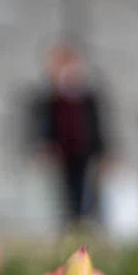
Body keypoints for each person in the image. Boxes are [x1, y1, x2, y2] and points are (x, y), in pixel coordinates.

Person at [29, 42, 111, 229]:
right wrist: (43, 145)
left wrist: (104, 152)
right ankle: (72, 223)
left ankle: (88, 222)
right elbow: (45, 124)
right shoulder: (53, 97)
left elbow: (98, 125)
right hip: (64, 152)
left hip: (86, 150)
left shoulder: (88, 95)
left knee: (89, 189)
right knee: (67, 190)